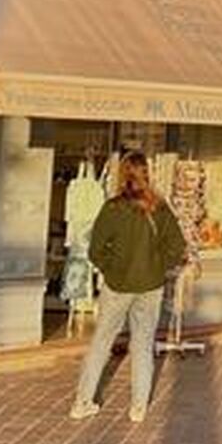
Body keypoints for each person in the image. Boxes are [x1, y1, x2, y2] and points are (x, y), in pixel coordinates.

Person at [70, 151, 186, 423]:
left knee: (101, 342)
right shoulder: (160, 208)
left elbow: (96, 249)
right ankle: (138, 407)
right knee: (143, 345)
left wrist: (112, 269)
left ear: (122, 174)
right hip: (150, 285)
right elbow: (177, 246)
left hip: (117, 286)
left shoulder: (113, 208)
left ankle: (82, 402)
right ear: (147, 173)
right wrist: (158, 267)